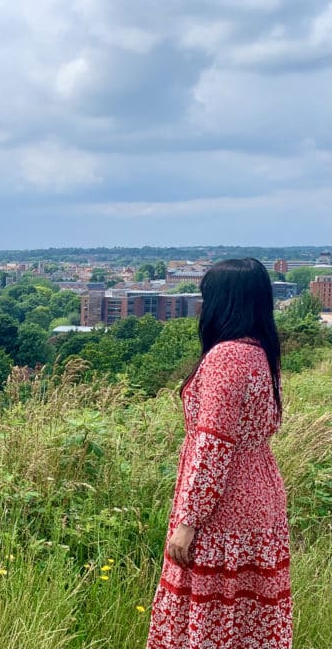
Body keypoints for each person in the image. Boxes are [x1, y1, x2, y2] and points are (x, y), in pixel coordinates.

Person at [148, 258, 292, 648]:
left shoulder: (226, 358)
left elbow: (213, 448)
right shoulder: (261, 352)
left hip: (224, 510)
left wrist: (189, 521)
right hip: (261, 500)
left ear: (224, 302)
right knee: (247, 624)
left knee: (212, 623)